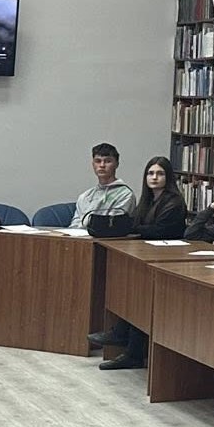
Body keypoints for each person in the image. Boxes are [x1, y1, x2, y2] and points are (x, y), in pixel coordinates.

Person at [91, 157, 190, 370]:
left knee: (141, 295)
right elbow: (136, 223)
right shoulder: (147, 200)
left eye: (160, 174)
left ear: (168, 177)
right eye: (150, 173)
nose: (154, 178)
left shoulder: (174, 202)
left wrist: (130, 229)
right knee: (133, 292)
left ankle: (128, 345)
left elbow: (160, 230)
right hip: (148, 254)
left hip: (167, 259)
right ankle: (124, 339)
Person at [70, 142, 135, 230]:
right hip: (81, 237)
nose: (102, 165)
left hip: (107, 237)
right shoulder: (85, 196)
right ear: (93, 164)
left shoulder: (125, 194)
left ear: (116, 164)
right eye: (98, 161)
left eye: (108, 161)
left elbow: (111, 225)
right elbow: (74, 226)